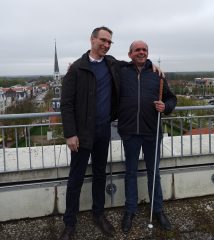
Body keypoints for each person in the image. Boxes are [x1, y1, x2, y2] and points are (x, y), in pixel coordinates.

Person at [60, 26, 120, 239]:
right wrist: (70, 133)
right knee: (75, 179)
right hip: (82, 134)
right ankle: (69, 223)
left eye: (109, 42)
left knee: (100, 175)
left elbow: (135, 65)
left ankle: (98, 215)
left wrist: (153, 66)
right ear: (92, 40)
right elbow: (66, 104)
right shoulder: (77, 68)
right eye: (103, 40)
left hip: (103, 130)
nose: (106, 44)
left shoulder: (111, 64)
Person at [118, 40, 177, 233]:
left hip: (152, 131)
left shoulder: (157, 75)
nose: (141, 52)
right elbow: (100, 62)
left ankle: (158, 210)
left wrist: (165, 107)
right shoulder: (122, 71)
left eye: (144, 50)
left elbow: (171, 98)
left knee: (154, 173)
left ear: (148, 53)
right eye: (137, 50)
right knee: (130, 172)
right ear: (130, 54)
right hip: (130, 132)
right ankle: (130, 210)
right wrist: (73, 65)